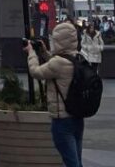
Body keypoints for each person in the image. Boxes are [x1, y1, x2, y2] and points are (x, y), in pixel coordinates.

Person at [24, 22, 84, 167]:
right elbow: (59, 65)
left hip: (61, 120)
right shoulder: (79, 58)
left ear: (58, 41)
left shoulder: (58, 63)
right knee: (76, 161)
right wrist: (45, 53)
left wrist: (31, 53)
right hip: (77, 117)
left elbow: (36, 72)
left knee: (71, 163)